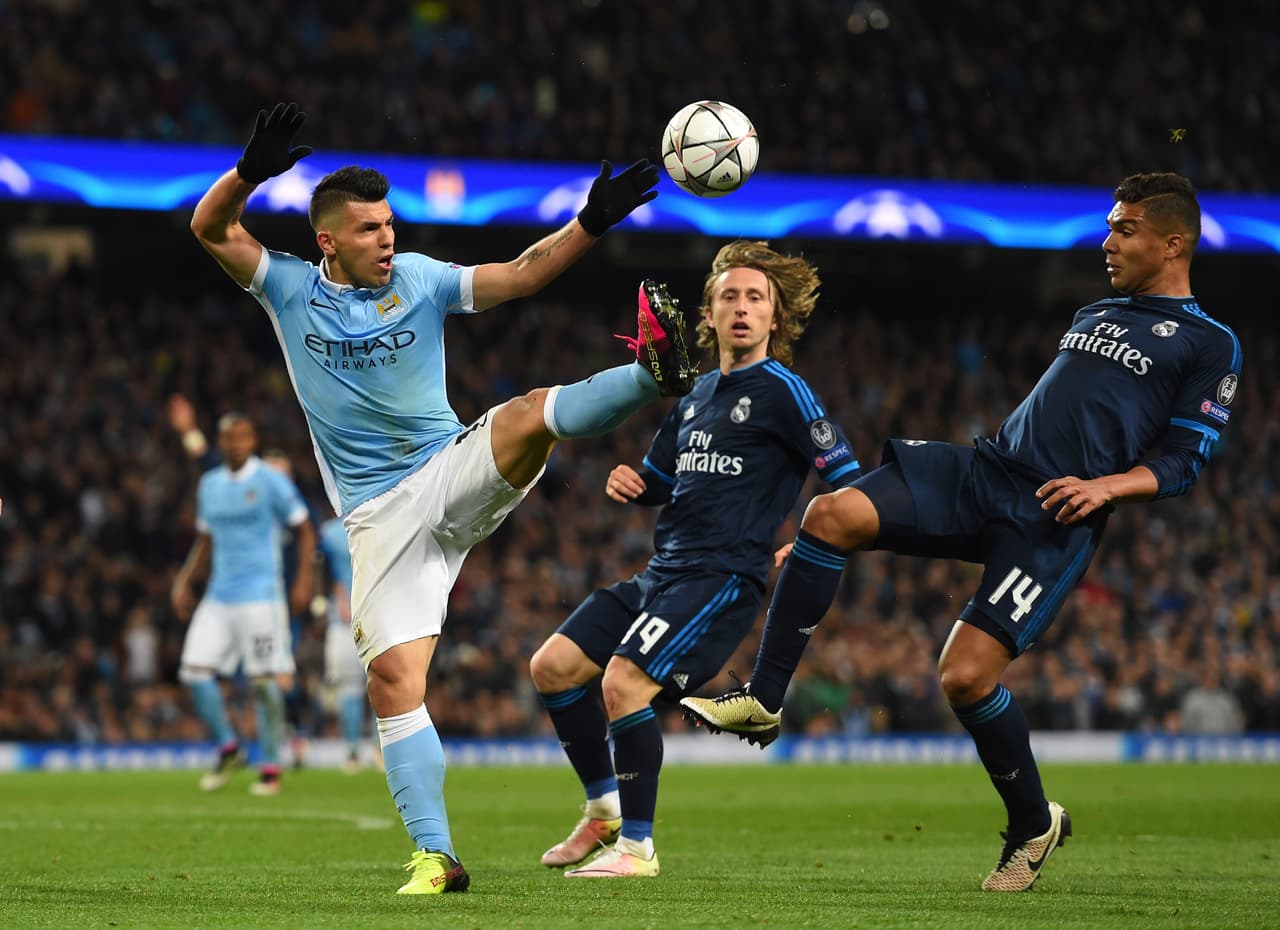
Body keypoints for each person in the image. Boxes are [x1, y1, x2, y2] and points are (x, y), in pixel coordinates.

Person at [681, 173, 1242, 891]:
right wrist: (819, 554)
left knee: (965, 677)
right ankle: (762, 701)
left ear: (1174, 243)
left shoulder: (1210, 344)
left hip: (1054, 515)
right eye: (1110, 225)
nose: (1107, 241)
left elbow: (1185, 461)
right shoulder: (1096, 309)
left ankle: (1032, 824)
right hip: (989, 471)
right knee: (830, 514)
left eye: (1124, 229)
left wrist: (1106, 485)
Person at [189, 102, 692, 894]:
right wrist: (249, 174)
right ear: (327, 240)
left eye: (389, 224)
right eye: (367, 230)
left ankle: (650, 375)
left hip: (448, 467)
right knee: (394, 682)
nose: (387, 238)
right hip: (377, 517)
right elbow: (212, 230)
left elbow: (522, 274)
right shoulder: (286, 290)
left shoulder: (421, 280)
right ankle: (437, 856)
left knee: (529, 412)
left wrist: (591, 219)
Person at [529, 240, 863, 878]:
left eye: (755, 299)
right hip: (662, 574)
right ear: (707, 316)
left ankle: (638, 848)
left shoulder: (787, 392)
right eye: (729, 297)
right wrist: (634, 482)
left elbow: (846, 478)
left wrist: (819, 540)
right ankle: (602, 812)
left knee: (622, 685)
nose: (742, 308)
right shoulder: (696, 394)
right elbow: (662, 479)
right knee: (552, 667)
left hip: (721, 580)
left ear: (775, 318)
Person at [171, 412, 316, 796]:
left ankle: (270, 767)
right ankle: (229, 746)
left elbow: (304, 528)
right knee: (193, 672)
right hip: (219, 595)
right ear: (221, 442)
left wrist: (303, 581)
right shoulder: (210, 485)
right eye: (229, 438)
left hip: (261, 597)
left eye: (243, 436)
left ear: (252, 441)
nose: (236, 444)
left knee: (265, 684)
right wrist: (185, 580)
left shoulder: (271, 482)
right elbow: (206, 539)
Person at [315, 515, 375, 772]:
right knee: (348, 687)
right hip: (343, 620)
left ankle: (381, 749)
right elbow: (318, 567)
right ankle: (352, 751)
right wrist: (331, 595)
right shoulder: (328, 532)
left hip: (379, 614)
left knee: (384, 683)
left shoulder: (377, 517)